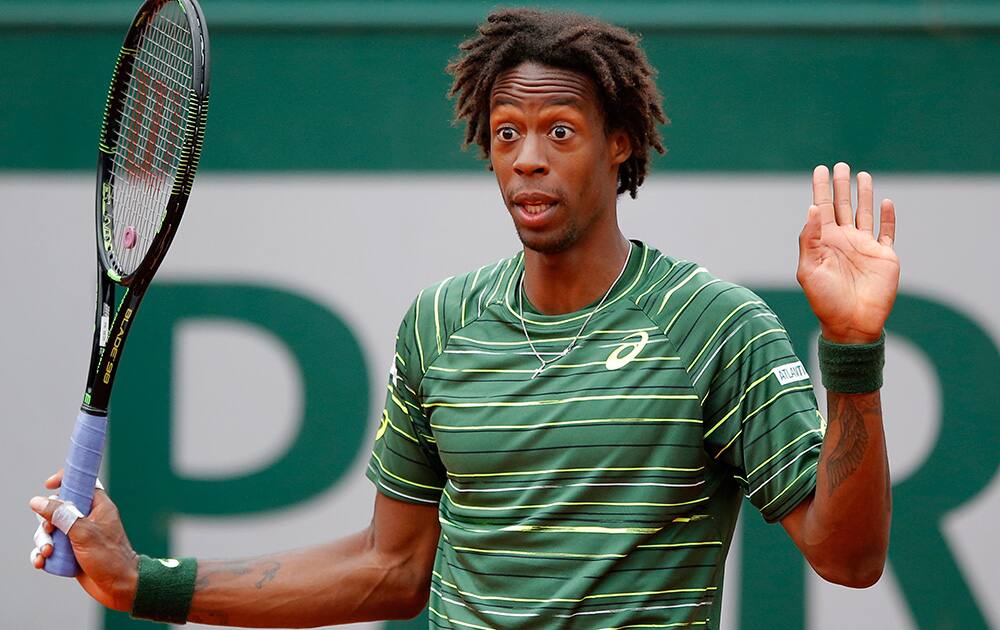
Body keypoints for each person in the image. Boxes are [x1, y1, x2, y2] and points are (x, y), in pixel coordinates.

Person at [29, 8, 898, 629]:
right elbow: (392, 567)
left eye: (561, 132)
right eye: (507, 131)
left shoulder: (716, 327)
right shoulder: (441, 324)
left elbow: (847, 561)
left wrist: (852, 353)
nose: (527, 159)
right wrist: (146, 583)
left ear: (620, 142)